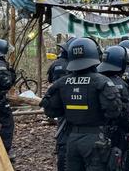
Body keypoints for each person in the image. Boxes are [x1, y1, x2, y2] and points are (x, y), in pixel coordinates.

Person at [40, 37, 122, 170]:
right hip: (95, 139)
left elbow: (50, 110)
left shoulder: (61, 83)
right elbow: (114, 111)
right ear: (95, 55)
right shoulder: (103, 82)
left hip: (71, 139)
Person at [97, 46, 129, 171]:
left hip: (95, 131)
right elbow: (125, 112)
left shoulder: (95, 79)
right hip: (116, 133)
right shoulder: (120, 84)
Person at [46, 37, 76, 171]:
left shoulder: (55, 64)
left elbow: (50, 80)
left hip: (59, 103)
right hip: (74, 102)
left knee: (62, 129)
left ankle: (61, 148)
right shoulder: (74, 65)